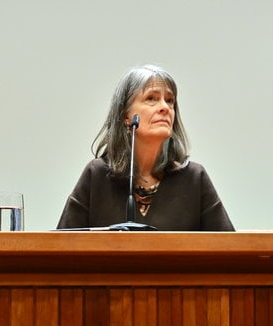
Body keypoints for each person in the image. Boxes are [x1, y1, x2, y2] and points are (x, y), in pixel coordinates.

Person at [56, 65, 234, 231]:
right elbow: (60, 248)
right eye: (151, 98)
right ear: (126, 115)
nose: (165, 107)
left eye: (170, 101)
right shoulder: (97, 175)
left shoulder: (194, 178)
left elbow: (230, 250)